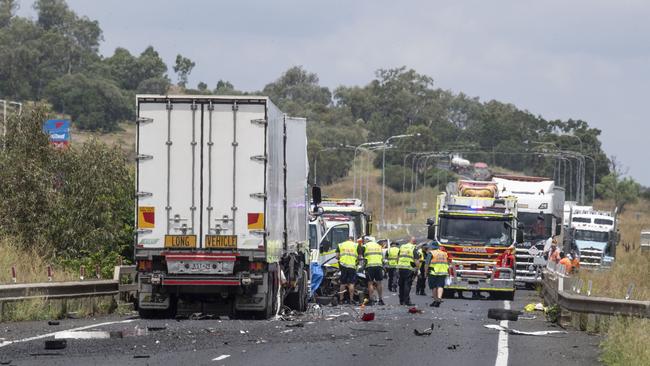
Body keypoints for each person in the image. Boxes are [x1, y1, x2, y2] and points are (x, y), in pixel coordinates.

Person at [336, 236, 361, 304]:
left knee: (343, 283)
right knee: (351, 283)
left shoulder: (341, 245)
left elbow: (337, 256)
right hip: (352, 266)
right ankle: (351, 300)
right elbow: (359, 257)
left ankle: (341, 300)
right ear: (353, 240)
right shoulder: (356, 245)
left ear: (346, 239)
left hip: (343, 265)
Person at [397, 237, 420, 306]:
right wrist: (417, 269)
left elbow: (398, 257)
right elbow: (416, 260)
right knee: (407, 285)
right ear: (414, 242)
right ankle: (406, 301)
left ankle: (401, 300)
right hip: (409, 268)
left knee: (401, 284)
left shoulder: (402, 247)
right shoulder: (413, 248)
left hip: (401, 267)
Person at [361, 237, 385, 305]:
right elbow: (382, 257)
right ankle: (380, 300)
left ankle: (371, 300)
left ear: (367, 240)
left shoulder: (365, 246)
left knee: (370, 283)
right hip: (378, 266)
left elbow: (361, 256)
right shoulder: (379, 246)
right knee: (379, 283)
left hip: (370, 266)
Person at [428, 242, 449, 307]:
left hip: (433, 272)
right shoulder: (444, 254)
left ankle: (435, 300)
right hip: (443, 272)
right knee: (440, 286)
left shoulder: (431, 253)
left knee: (434, 287)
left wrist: (425, 272)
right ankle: (439, 299)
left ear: (432, 247)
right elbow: (447, 263)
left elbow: (426, 263)